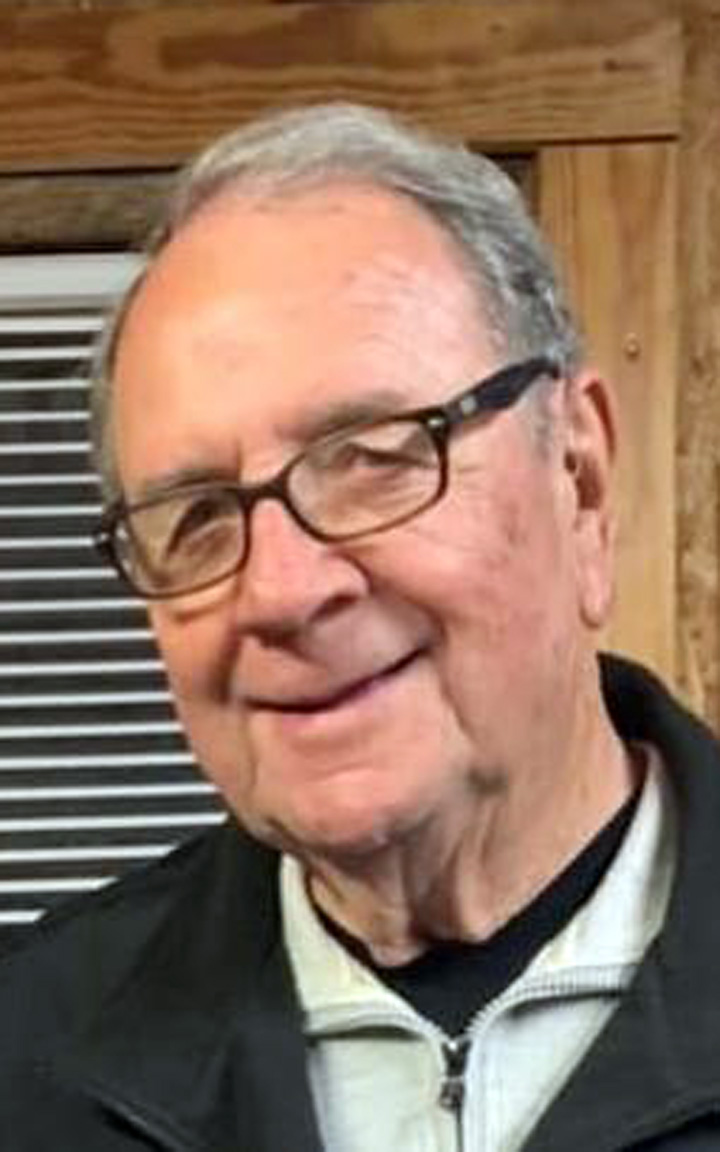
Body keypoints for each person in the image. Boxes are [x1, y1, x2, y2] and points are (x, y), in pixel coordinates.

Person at [0, 103, 718, 1152]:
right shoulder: (29, 1053)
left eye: (375, 458)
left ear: (581, 478)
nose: (281, 592)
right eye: (196, 517)